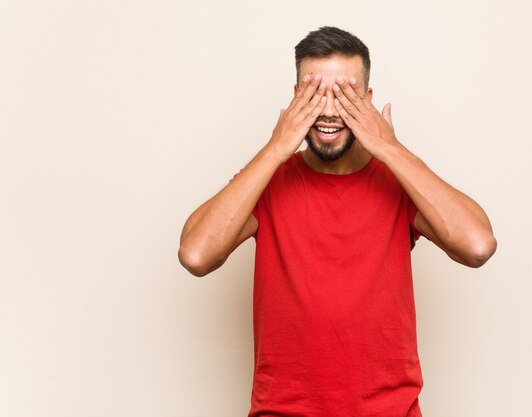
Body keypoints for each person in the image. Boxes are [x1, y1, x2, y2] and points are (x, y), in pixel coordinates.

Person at [178, 26, 497, 417]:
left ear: (368, 101)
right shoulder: (268, 180)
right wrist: (276, 147)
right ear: (296, 99)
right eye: (315, 94)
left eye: (344, 96)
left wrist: (388, 147)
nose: (329, 110)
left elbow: (478, 245)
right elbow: (195, 255)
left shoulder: (396, 182)